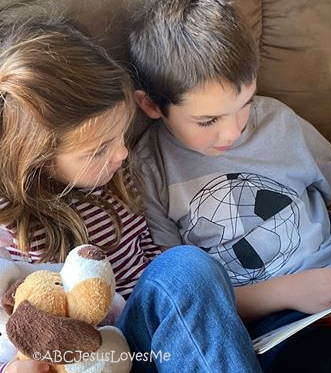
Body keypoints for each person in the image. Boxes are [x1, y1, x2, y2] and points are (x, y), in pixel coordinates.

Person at [127, 0, 331, 371]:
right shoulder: (150, 170)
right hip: (279, 322)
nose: (233, 132)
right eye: (208, 120)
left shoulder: (276, 121)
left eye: (244, 103)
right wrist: (288, 292)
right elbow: (184, 296)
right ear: (152, 105)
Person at [0, 19, 263, 373]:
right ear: (37, 159)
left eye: (121, 135)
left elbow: (162, 278)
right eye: (98, 150)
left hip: (144, 344)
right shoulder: (7, 226)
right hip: (81, 358)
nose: (122, 154)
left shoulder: (117, 177)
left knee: (186, 268)